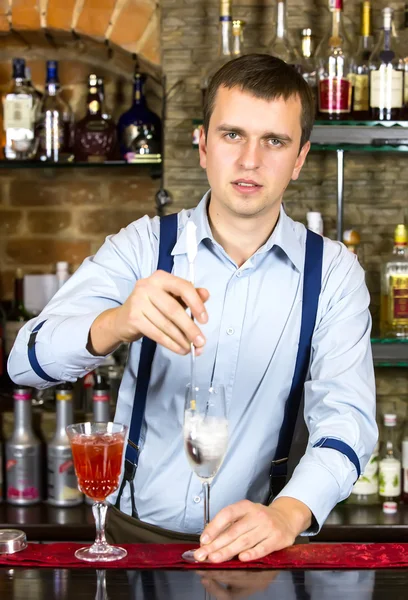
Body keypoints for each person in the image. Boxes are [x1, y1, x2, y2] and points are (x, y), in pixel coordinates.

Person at [8, 54, 377, 563]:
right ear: (202, 145)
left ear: (300, 158)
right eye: (232, 135)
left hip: (261, 545)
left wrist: (288, 513)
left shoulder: (334, 274)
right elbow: (23, 365)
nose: (250, 159)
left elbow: (349, 422)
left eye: (274, 141)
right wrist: (117, 323)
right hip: (131, 539)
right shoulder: (141, 248)